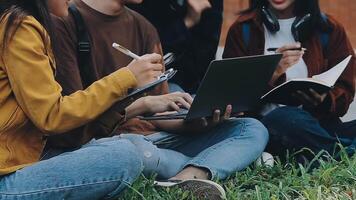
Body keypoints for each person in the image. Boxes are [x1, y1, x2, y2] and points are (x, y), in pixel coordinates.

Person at [50, 0, 270, 199]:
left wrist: (194, 122)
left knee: (251, 129)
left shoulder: (144, 26)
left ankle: (185, 177)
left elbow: (158, 111)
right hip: (111, 143)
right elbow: (72, 122)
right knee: (130, 154)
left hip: (155, 138)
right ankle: (221, 161)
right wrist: (141, 105)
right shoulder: (65, 22)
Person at [0, 0, 166, 199]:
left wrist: (124, 107)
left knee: (123, 147)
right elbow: (52, 116)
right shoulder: (20, 26)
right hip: (7, 178)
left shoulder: (22, 22)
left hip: (29, 159)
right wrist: (126, 77)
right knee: (123, 156)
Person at [223, 0, 356, 161]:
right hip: (269, 126)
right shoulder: (243, 29)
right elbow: (232, 97)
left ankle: (329, 151)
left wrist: (325, 99)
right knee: (287, 117)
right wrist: (273, 73)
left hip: (319, 125)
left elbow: (346, 91)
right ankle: (344, 153)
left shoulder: (329, 28)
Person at [130, 0, 223, 93]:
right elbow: (150, 51)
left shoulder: (211, 4)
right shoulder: (141, 5)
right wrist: (188, 21)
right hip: (156, 80)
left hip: (195, 80)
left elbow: (205, 59)